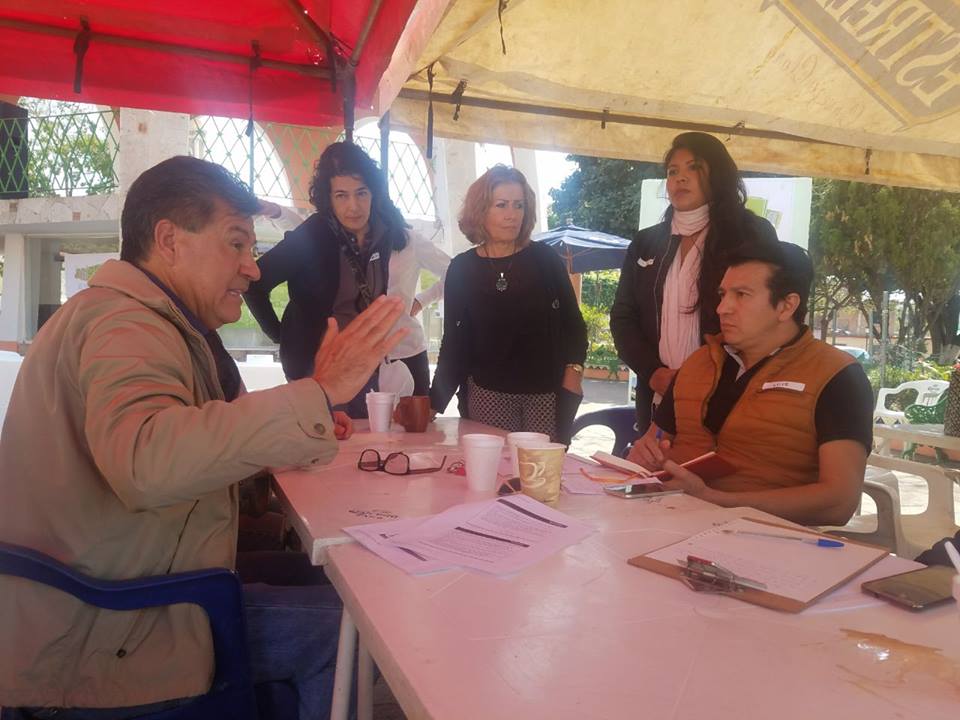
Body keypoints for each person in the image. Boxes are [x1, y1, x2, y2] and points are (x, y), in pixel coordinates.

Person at [0, 156, 406, 717]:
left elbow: (171, 443)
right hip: (109, 630)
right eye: (236, 243)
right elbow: (146, 459)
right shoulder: (126, 323)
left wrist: (290, 430)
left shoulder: (136, 316)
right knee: (362, 628)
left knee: (349, 581)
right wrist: (317, 392)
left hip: (111, 590)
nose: (254, 268)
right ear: (169, 239)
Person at [628, 240, 873, 526]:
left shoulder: (836, 375)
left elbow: (839, 502)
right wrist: (644, 456)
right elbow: (649, 445)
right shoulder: (698, 363)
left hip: (768, 543)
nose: (722, 308)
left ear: (786, 306)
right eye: (722, 294)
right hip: (665, 523)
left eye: (741, 294)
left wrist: (715, 500)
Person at [610, 132, 779, 434]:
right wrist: (654, 373)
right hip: (659, 396)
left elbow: (764, 315)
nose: (680, 179)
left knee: (708, 477)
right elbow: (623, 317)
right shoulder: (647, 242)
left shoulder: (749, 233)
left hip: (726, 397)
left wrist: (714, 377)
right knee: (658, 476)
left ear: (718, 174)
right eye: (673, 171)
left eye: (693, 168)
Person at [244, 141, 410, 417]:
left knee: (362, 434)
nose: (354, 206)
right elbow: (255, 284)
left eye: (361, 193)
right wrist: (279, 334)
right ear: (329, 198)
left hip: (361, 360)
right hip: (315, 364)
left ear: (373, 193)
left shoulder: (382, 231)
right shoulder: (313, 234)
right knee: (323, 439)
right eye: (342, 195)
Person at [429, 165, 588, 441]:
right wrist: (434, 401)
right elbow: (454, 340)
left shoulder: (546, 261)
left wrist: (573, 375)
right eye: (501, 205)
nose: (511, 215)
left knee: (538, 477)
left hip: (546, 396)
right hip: (487, 395)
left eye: (518, 205)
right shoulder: (462, 268)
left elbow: (573, 325)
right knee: (492, 475)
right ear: (481, 211)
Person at [385, 230, 451, 396]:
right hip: (357, 356)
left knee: (414, 420)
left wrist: (422, 300)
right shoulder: (341, 241)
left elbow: (455, 273)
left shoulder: (409, 240)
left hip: (406, 350)